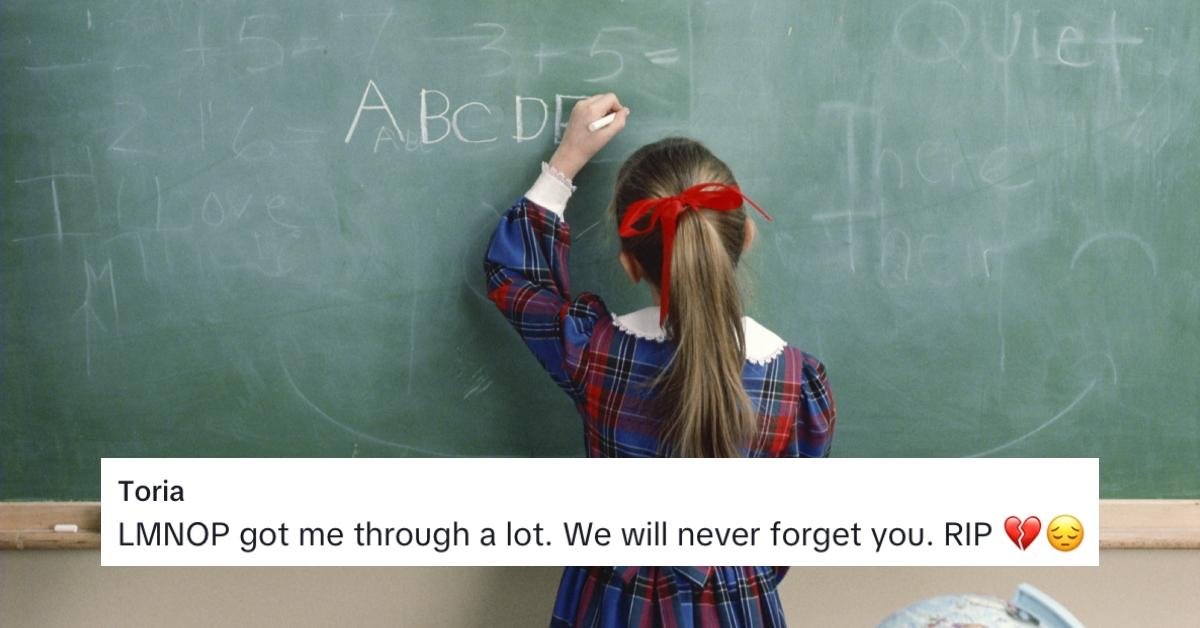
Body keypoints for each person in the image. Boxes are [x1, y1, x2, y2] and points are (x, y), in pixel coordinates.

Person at [484, 93, 837, 627]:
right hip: (736, 604)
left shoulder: (595, 351)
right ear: (748, 236)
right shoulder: (795, 382)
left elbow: (513, 278)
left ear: (628, 264)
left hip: (608, 603)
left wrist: (566, 163)